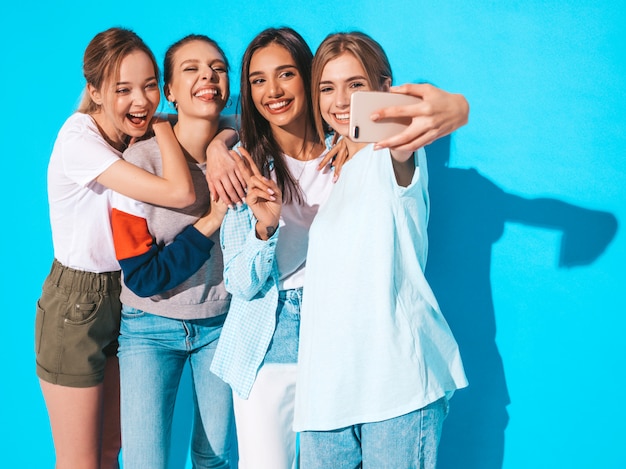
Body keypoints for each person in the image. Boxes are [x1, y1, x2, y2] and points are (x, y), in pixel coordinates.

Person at [207, 27, 470, 469]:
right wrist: (225, 153)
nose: (272, 89)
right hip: (283, 343)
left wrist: (459, 106)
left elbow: (418, 119)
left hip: (375, 354)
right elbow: (237, 279)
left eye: (287, 74)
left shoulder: (375, 148)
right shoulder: (246, 164)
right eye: (329, 87)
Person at [293, 31, 469, 468]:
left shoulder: (392, 150)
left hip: (395, 389)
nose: (340, 100)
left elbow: (435, 114)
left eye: (355, 85)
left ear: (382, 88)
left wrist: (457, 107)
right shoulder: (334, 169)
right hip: (325, 398)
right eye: (326, 87)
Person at [35, 27, 196, 469]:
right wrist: (165, 125)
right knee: (80, 462)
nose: (141, 101)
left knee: (110, 452)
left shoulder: (131, 140)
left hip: (126, 300)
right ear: (95, 91)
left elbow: (225, 117)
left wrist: (218, 144)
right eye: (123, 89)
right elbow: (181, 194)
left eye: (149, 87)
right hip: (77, 307)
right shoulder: (79, 138)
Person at [110, 34, 236, 469]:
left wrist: (222, 143)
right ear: (170, 92)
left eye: (218, 67)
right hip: (149, 325)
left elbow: (261, 118)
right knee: (145, 463)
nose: (208, 76)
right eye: (192, 69)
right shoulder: (138, 164)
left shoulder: (242, 149)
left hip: (222, 325)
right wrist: (211, 220)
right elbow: (142, 277)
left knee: (215, 458)